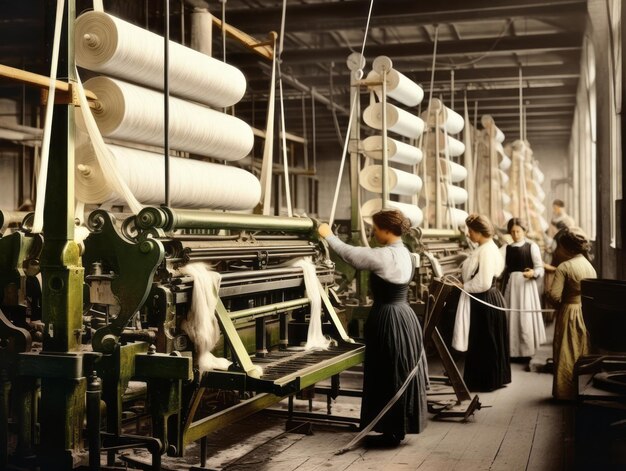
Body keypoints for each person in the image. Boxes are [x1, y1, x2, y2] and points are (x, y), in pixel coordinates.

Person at [318, 209, 426, 446]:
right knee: (398, 367)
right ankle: (398, 426)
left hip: (388, 317)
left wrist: (328, 235)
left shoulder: (384, 256)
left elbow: (351, 255)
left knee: (387, 370)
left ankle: (390, 429)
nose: (373, 232)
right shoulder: (406, 252)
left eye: (375, 228)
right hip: (404, 316)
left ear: (387, 230)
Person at [453, 213, 511, 392]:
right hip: (487, 297)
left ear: (478, 232)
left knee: (484, 340)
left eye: (470, 231)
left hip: (484, 299)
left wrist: (463, 286)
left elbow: (484, 282)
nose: (468, 234)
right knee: (487, 340)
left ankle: (485, 381)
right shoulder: (487, 247)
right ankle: (493, 378)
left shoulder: (486, 250)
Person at [547, 227, 597, 401]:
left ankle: (565, 392)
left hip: (569, 311)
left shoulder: (565, 267)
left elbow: (554, 295)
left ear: (567, 248)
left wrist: (557, 304)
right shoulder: (589, 266)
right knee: (582, 349)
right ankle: (582, 390)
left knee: (567, 352)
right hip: (585, 311)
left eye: (560, 247)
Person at [500, 218, 546, 359]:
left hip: (526, 286)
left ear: (524, 231)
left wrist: (533, 273)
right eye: (512, 232)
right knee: (512, 316)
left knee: (525, 316)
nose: (515, 234)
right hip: (512, 285)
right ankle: (513, 351)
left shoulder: (531, 247)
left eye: (518, 231)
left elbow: (540, 267)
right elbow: (498, 264)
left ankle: (526, 351)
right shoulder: (506, 248)